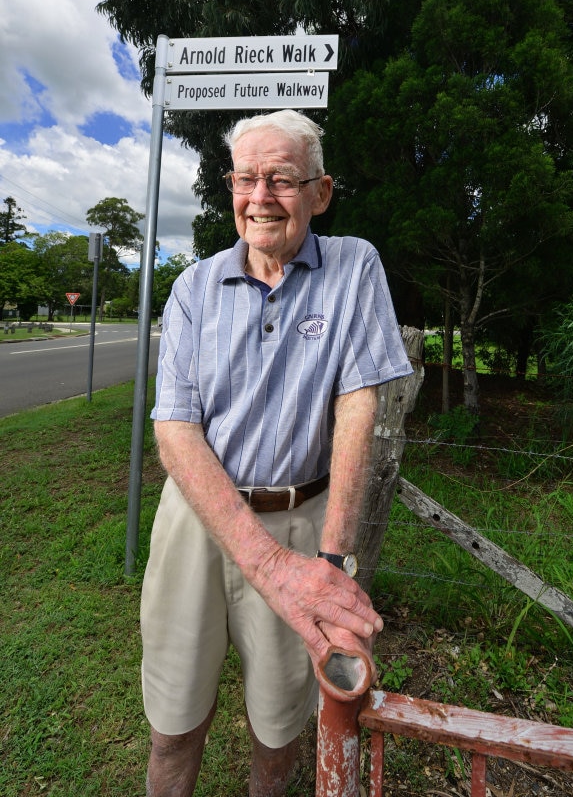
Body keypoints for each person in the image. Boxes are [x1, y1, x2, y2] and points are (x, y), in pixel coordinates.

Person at [141, 109, 413, 796]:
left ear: (320, 193)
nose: (259, 197)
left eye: (281, 180)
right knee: (172, 728)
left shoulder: (353, 265)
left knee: (279, 729)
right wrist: (264, 563)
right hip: (196, 521)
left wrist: (330, 563)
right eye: (245, 178)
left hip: (302, 519)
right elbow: (174, 427)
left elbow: (360, 402)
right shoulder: (193, 288)